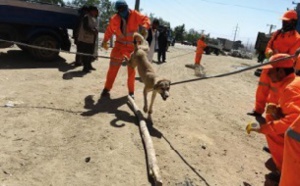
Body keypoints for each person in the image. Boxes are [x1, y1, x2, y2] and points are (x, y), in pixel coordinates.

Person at [246, 53, 300, 185]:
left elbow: (293, 123)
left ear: (281, 72)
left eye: (270, 71)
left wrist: (264, 128)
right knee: (271, 117)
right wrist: (277, 112)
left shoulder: (291, 88)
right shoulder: (289, 83)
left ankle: (286, 170)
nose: (267, 74)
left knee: (275, 130)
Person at [248, 10, 300, 117]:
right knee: (262, 87)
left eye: (287, 22)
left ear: (293, 22)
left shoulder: (297, 39)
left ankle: (273, 116)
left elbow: (292, 57)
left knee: (275, 93)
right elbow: (269, 46)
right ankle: (258, 110)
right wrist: (269, 52)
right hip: (270, 65)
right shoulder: (277, 34)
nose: (284, 24)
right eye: (283, 21)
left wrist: (278, 56)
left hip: (280, 71)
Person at [100, 0, 150, 98]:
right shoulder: (115, 19)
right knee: (112, 69)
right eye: (120, 9)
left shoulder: (135, 14)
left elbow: (146, 19)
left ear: (127, 7)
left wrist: (144, 27)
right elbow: (109, 30)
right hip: (119, 47)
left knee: (131, 71)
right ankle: (107, 88)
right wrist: (105, 40)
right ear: (117, 10)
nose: (122, 11)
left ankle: (131, 92)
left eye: (124, 8)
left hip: (132, 48)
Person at [77, 6, 99, 73]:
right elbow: (85, 27)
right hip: (85, 39)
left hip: (91, 39)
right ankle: (85, 67)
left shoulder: (94, 18)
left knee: (90, 53)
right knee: (86, 53)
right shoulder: (86, 17)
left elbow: (94, 26)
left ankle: (89, 65)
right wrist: (93, 31)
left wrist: (95, 30)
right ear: (91, 11)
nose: (96, 12)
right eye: (95, 11)